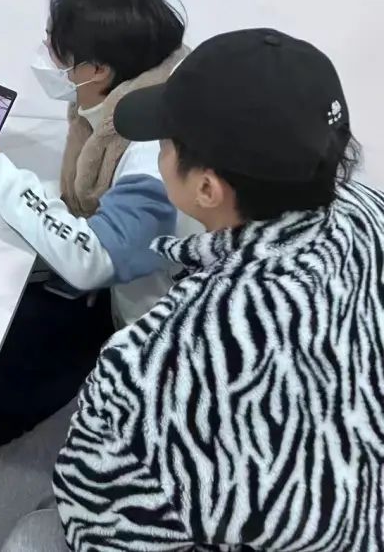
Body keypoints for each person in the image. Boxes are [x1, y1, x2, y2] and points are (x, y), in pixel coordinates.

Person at [49, 29, 380, 551]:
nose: (157, 151)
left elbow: (94, 525)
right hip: (359, 504)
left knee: (29, 535)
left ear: (206, 188)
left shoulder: (154, 363)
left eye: (165, 143)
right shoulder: (370, 211)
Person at [0, 0, 192, 550]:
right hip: (129, 320)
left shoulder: (152, 145)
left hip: (145, 343)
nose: (48, 57)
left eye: (57, 49)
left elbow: (94, 257)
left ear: (96, 69)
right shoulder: (117, 110)